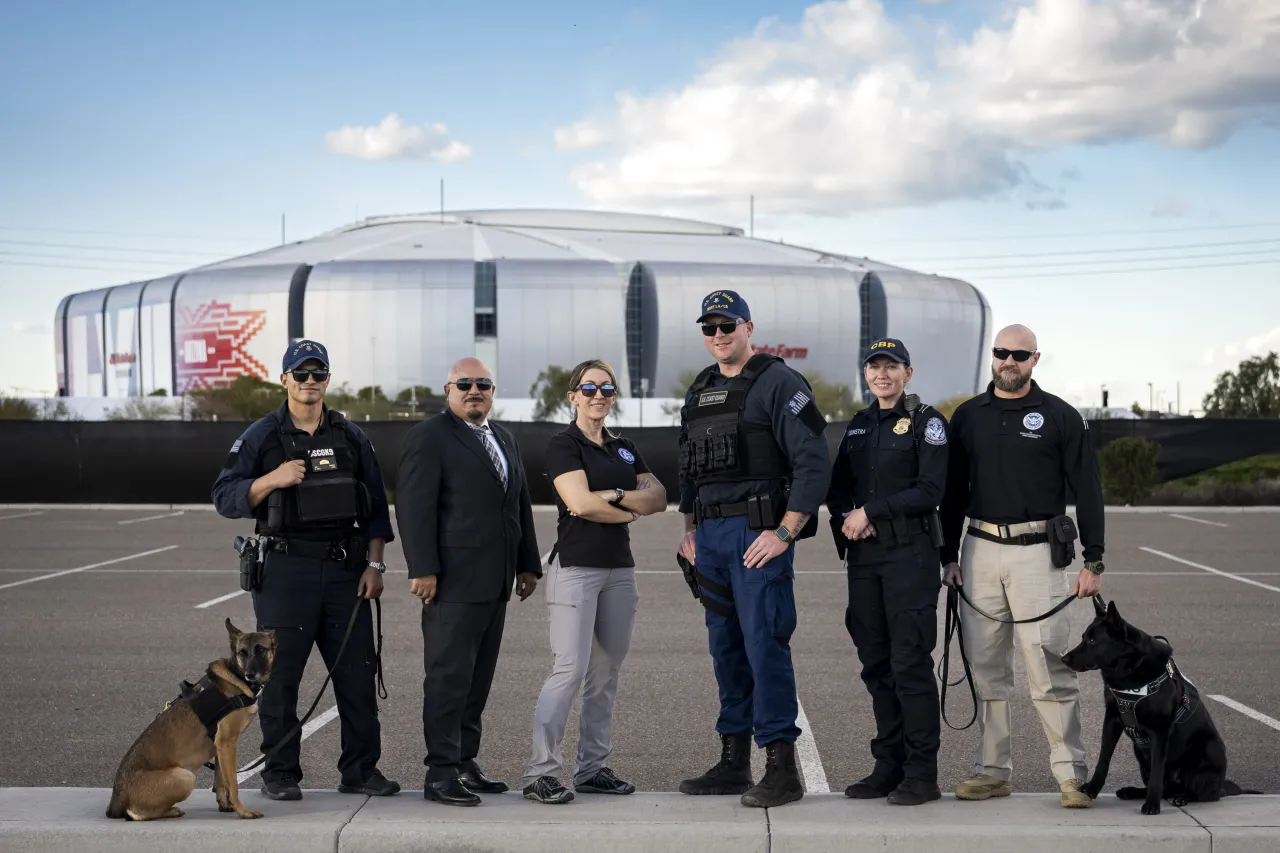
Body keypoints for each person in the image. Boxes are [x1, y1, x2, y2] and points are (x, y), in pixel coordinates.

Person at [211, 339, 400, 801]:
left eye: (318, 374)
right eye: (301, 374)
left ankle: (359, 770)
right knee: (280, 678)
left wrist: (375, 564)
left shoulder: (351, 436)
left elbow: (376, 507)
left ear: (328, 380)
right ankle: (281, 773)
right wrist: (272, 479)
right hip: (285, 572)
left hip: (346, 571)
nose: (310, 382)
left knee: (357, 674)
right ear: (285, 379)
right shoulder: (262, 435)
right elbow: (224, 494)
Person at [938, 324, 1105, 809]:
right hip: (980, 549)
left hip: (1038, 552)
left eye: (1019, 354)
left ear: (1036, 359)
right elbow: (951, 494)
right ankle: (993, 771)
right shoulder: (967, 417)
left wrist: (1094, 558)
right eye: (1001, 353)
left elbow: (1089, 489)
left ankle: (1072, 775)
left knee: (1049, 666)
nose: (1009, 361)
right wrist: (948, 555)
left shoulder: (1060, 416)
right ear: (992, 357)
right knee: (987, 668)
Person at [675, 289, 831, 809]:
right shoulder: (700, 390)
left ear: (748, 328)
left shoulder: (778, 382)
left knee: (765, 646)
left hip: (757, 534)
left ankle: (782, 768)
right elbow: (691, 468)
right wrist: (690, 529)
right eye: (710, 327)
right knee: (726, 650)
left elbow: (813, 461)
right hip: (712, 540)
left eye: (728, 325)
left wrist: (785, 531)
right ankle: (733, 761)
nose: (719, 335)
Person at [394, 357, 542, 807]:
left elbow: (518, 503)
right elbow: (413, 505)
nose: (474, 390)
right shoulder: (430, 436)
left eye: (482, 383)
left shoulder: (503, 437)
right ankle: (440, 772)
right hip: (452, 582)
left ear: (492, 391)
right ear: (449, 390)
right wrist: (422, 568)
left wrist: (527, 563)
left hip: (495, 581)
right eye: (465, 383)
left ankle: (464, 761)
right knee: (448, 677)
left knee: (477, 680)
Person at [521, 359, 668, 804]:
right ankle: (540, 773)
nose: (598, 395)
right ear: (573, 397)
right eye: (588, 388)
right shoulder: (563, 444)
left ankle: (592, 769)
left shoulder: (623, 448)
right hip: (577, 568)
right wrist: (626, 509)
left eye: (606, 388)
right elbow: (581, 505)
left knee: (605, 673)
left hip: (619, 569)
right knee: (569, 670)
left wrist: (618, 494)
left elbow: (659, 497)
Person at [825, 338, 948, 806]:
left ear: (907, 373)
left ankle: (922, 774)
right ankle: (888, 766)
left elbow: (931, 489)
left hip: (909, 557)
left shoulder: (926, 422)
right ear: (866, 374)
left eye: (891, 367)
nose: (882, 374)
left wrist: (871, 511)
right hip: (865, 560)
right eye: (874, 367)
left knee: (909, 665)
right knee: (876, 665)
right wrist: (846, 518)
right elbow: (837, 491)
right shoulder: (857, 427)